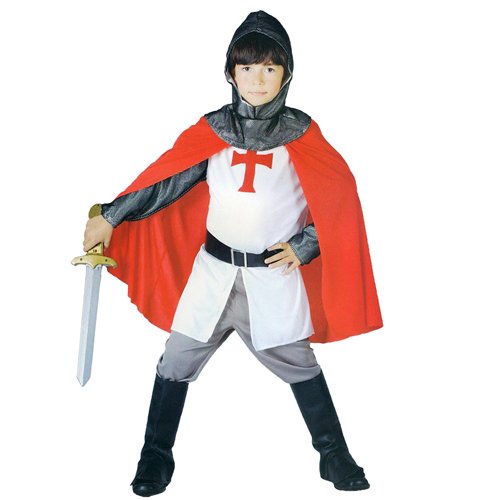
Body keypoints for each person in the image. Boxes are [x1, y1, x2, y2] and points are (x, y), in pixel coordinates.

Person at [83, 10, 383, 497]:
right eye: (247, 68)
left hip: (272, 279)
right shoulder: (214, 131)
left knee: (300, 363)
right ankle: (155, 456)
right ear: (230, 73)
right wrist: (112, 215)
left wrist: (304, 246)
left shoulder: (303, 134)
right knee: (175, 361)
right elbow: (166, 183)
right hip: (213, 275)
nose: (257, 79)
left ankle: (333, 455)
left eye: (269, 68)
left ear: (286, 73)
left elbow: (339, 202)